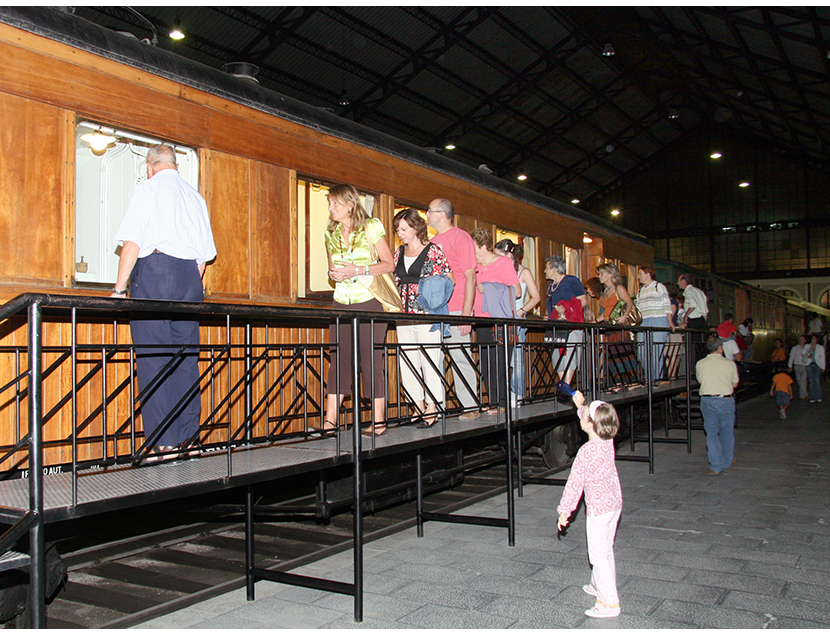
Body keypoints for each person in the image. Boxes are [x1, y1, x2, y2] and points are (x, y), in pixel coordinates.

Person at [111, 144, 217, 462]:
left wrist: (118, 290)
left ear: (148, 166)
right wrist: (187, 284)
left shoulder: (148, 189)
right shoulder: (195, 197)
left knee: (154, 359)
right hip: (189, 278)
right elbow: (203, 259)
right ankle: (187, 439)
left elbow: (132, 243)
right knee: (185, 360)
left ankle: (162, 444)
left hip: (156, 273)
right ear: (176, 166)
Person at [323, 184, 395, 436]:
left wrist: (359, 269)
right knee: (338, 358)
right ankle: (330, 422)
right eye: (329, 203)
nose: (331, 208)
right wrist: (334, 273)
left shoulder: (371, 226)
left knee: (370, 358)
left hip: (370, 299)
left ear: (351, 204)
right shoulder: (330, 233)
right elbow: (332, 269)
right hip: (341, 301)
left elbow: (388, 264)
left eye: (336, 203)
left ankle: (378, 421)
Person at [557, 390, 622, 619]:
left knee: (598, 555)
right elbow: (588, 415)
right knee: (606, 547)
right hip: (614, 504)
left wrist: (565, 510)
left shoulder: (586, 451)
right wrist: (580, 405)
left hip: (599, 508)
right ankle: (597, 585)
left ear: (591, 425)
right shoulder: (607, 441)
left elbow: (575, 484)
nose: (581, 417)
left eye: (585, 416)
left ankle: (608, 602)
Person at [392, 208, 454, 428]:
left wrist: (433, 296)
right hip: (404, 315)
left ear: (416, 227)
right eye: (398, 229)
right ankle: (417, 405)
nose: (400, 233)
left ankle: (433, 407)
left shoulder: (433, 250)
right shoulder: (399, 252)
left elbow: (450, 278)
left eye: (403, 228)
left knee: (430, 360)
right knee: (407, 361)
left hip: (427, 314)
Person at [427, 198, 481, 420]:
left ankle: (470, 407)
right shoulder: (433, 241)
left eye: (429, 210)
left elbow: (470, 277)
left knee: (460, 357)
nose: (427, 214)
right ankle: (436, 407)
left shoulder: (461, 237)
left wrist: (467, 314)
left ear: (442, 214)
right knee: (434, 358)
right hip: (437, 309)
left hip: (457, 307)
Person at [472, 229, 520, 415]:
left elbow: (516, 291)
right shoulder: (474, 265)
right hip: (480, 320)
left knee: (499, 361)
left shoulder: (503, 263)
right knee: (486, 362)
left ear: (483, 246)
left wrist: (490, 288)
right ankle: (493, 403)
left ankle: (502, 403)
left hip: (499, 320)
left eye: (474, 247)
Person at [494, 239, 540, 407]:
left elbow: (536, 297)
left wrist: (522, 311)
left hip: (517, 318)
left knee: (516, 358)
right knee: (502, 358)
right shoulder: (498, 270)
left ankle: (517, 393)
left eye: (500, 255)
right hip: (501, 317)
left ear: (510, 255)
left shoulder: (523, 272)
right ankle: (503, 393)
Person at [696, 336, 739, 475]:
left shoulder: (700, 364)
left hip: (707, 400)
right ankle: (727, 460)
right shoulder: (730, 364)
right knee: (727, 432)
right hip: (725, 400)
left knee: (712, 434)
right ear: (720, 348)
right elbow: (735, 384)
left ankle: (715, 466)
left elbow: (700, 380)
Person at [544, 255, 587, 390]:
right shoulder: (551, 286)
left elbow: (583, 301)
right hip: (556, 326)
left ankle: (567, 389)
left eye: (546, 268)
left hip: (571, 326)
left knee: (569, 357)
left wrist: (566, 307)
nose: (544, 271)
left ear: (555, 269)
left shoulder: (571, 281)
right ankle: (564, 387)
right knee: (557, 357)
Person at [595, 263, 637, 389]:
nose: (600, 276)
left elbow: (629, 303)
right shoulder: (605, 292)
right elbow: (605, 314)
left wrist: (624, 316)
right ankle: (618, 382)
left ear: (610, 274)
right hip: (609, 326)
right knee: (613, 355)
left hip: (619, 325)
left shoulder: (618, 288)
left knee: (623, 353)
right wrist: (594, 322)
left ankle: (632, 381)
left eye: (602, 274)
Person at [636, 265, 673, 383]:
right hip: (644, 321)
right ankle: (649, 377)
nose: (639, 276)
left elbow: (666, 304)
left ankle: (656, 379)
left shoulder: (659, 286)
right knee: (642, 351)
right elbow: (638, 307)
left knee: (656, 351)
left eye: (640, 274)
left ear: (648, 274)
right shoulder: (640, 290)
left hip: (658, 319)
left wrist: (669, 320)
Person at [788, 335, 810, 401]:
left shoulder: (807, 348)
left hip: (804, 365)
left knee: (803, 380)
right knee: (799, 380)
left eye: (802, 339)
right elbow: (791, 357)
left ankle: (802, 395)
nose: (801, 340)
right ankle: (805, 393)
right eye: (800, 339)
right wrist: (790, 366)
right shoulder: (794, 348)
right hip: (797, 365)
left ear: (805, 341)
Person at [805, 334, 826, 403]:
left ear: (817, 340)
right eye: (812, 339)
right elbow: (804, 355)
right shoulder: (807, 346)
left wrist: (823, 366)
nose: (812, 340)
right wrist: (808, 354)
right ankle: (812, 397)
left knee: (816, 380)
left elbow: (822, 357)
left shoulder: (820, 347)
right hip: (809, 364)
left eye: (814, 338)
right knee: (811, 381)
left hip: (817, 365)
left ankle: (819, 396)